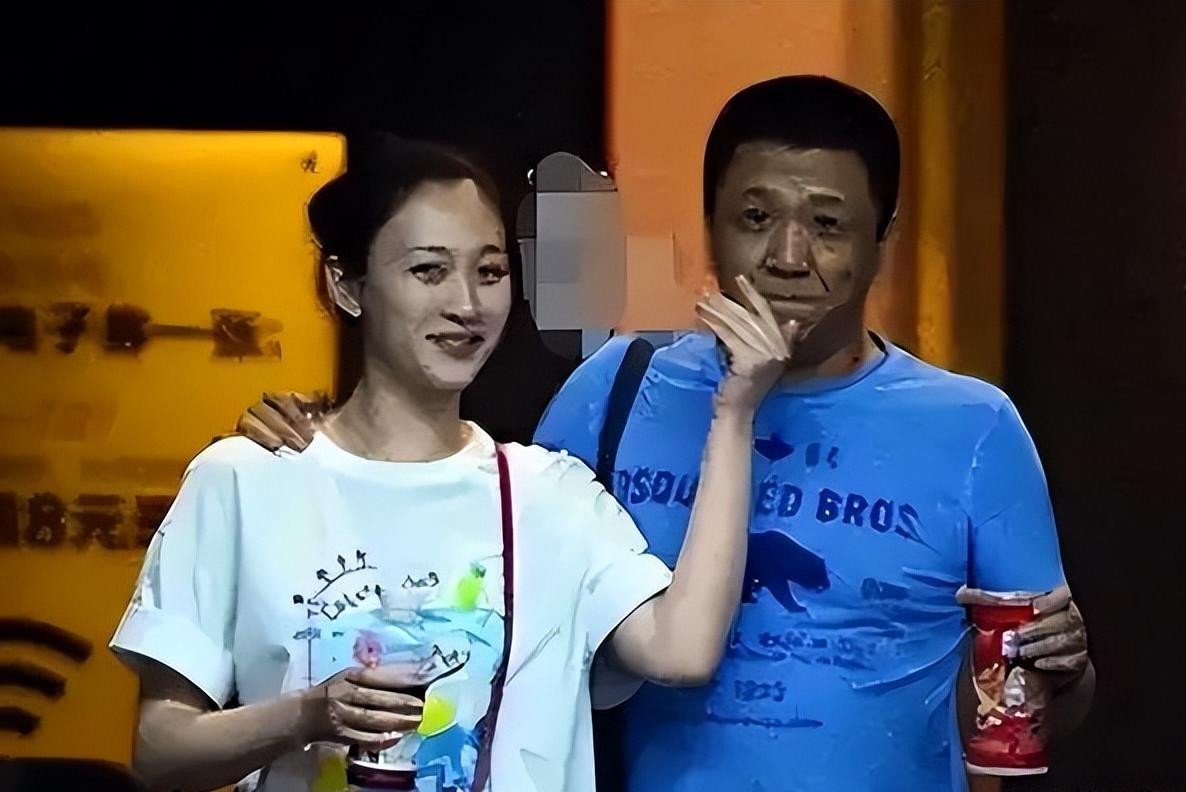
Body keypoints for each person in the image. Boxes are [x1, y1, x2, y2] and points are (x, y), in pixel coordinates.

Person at [243, 77, 1094, 791]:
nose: (787, 255)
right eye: (754, 217)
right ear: (710, 223)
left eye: (829, 225)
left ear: (885, 239)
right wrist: (326, 444)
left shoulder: (973, 428)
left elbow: (1032, 701)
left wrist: (1068, 669)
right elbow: (471, 564)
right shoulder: (617, 388)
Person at [109, 132, 794, 792]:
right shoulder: (244, 479)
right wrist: (306, 715)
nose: (466, 305)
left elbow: (682, 648)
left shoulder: (551, 497)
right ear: (346, 285)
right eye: (428, 271)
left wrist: (734, 412)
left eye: (489, 272)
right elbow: (160, 750)